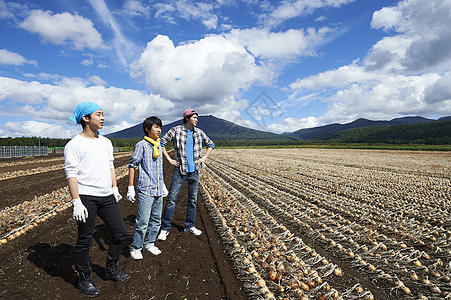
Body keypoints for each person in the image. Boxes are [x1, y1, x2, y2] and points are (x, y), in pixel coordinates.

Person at [64, 101, 129, 297]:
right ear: (85, 118)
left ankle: (111, 267)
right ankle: (84, 278)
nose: (102, 118)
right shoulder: (74, 144)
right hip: (86, 198)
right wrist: (76, 201)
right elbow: (71, 174)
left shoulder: (106, 142)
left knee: (120, 232)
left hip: (106, 196)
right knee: (85, 239)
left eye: (103, 114)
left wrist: (115, 187)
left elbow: (110, 166)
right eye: (98, 114)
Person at [157, 108, 215, 241]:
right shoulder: (176, 130)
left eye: (197, 118)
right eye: (194, 117)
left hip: (194, 171)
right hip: (180, 171)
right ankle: (165, 228)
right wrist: (169, 159)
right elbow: (161, 142)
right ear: (187, 118)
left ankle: (189, 226)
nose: (196, 120)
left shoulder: (199, 133)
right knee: (171, 199)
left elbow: (211, 144)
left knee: (193, 200)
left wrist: (204, 158)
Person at [127, 116, 168, 260]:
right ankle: (136, 247)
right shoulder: (141, 145)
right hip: (145, 188)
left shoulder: (158, 145)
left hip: (157, 188)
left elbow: (160, 169)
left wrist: (163, 185)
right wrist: (130, 187)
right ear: (147, 129)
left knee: (156, 219)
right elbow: (133, 165)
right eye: (156, 127)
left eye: (160, 127)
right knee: (143, 220)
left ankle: (149, 243)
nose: (159, 130)